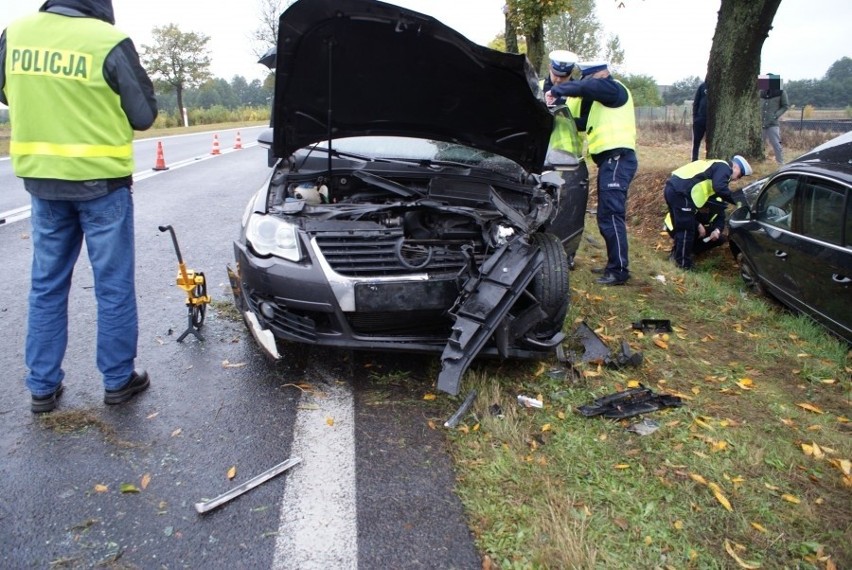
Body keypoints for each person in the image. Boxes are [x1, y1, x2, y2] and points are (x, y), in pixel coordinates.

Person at [0, 0, 158, 413]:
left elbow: (3, 90)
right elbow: (143, 115)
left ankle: (42, 388)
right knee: (113, 285)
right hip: (101, 185)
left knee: (46, 285)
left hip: (44, 185)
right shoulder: (108, 40)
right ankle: (118, 380)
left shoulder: (16, 34)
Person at [546, 61, 638, 286]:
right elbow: (583, 123)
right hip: (611, 162)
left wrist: (557, 90)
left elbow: (590, 89)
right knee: (606, 215)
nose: (585, 84)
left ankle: (619, 271)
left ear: (600, 74)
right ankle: (614, 265)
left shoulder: (612, 88)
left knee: (611, 215)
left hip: (617, 159)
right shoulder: (604, 101)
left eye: (587, 79)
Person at [663, 155, 753, 269]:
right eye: (740, 175)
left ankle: (676, 258)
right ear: (735, 166)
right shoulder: (724, 167)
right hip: (682, 193)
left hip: (673, 188)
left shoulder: (714, 164)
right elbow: (719, 187)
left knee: (683, 228)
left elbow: (718, 204)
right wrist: (738, 200)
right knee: (686, 230)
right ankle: (683, 264)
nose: (737, 179)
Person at [760, 74, 789, 165]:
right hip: (761, 123)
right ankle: (760, 160)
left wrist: (775, 115)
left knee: (776, 143)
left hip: (773, 123)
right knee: (760, 144)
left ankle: (780, 163)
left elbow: (785, 106)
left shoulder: (781, 92)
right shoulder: (761, 92)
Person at [691, 80, 708, 161]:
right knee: (696, 142)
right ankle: (694, 160)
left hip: (712, 121)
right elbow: (696, 103)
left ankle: (709, 161)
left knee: (710, 142)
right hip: (700, 119)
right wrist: (695, 118)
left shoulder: (719, 87)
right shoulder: (702, 86)